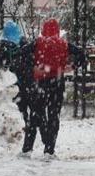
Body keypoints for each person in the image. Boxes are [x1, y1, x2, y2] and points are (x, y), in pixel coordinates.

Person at [29, 18, 85, 156]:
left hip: (41, 83)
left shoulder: (38, 43)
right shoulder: (64, 44)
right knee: (54, 115)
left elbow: (21, 54)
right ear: (58, 30)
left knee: (40, 113)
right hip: (57, 82)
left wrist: (33, 67)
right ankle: (50, 147)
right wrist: (72, 66)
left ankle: (45, 137)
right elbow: (83, 55)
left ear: (44, 29)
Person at [0, 20, 36, 151]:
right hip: (24, 80)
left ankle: (18, 127)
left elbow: (0, 64)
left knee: (16, 105)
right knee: (23, 106)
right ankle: (25, 125)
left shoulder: (6, 46)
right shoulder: (23, 44)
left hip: (15, 81)